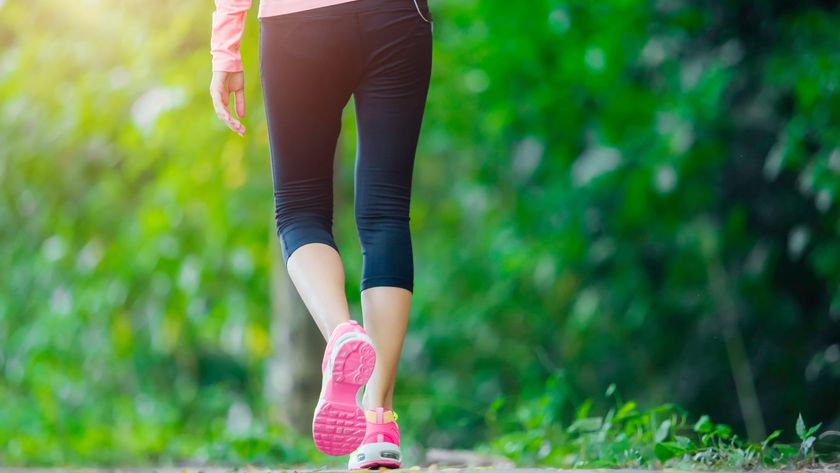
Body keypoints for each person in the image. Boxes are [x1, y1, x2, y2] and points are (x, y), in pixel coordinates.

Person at [208, 0, 433, 469]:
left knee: (299, 211)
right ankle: (378, 423)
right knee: (387, 213)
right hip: (395, 16)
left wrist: (225, 49)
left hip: (297, 24)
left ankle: (341, 335)